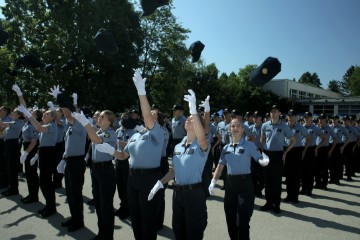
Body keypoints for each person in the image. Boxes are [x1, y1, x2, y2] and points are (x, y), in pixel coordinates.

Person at [95, 70, 165, 240]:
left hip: (149, 178)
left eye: (154, 116)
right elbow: (123, 156)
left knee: (147, 220)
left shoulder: (158, 133)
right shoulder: (135, 135)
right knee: (136, 217)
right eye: (149, 116)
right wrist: (111, 151)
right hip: (132, 178)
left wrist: (142, 92)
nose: (149, 117)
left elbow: (147, 115)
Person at [146, 89, 210, 240]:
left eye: (193, 119)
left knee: (194, 231)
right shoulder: (178, 146)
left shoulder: (201, 145)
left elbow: (202, 137)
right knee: (179, 230)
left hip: (194, 194)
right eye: (188, 118)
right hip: (178, 193)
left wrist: (194, 110)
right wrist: (160, 183)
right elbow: (174, 170)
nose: (189, 119)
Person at [209, 118, 269, 240]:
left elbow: (259, 158)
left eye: (238, 126)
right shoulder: (226, 148)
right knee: (230, 217)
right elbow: (220, 166)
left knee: (242, 220)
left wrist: (263, 161)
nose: (235, 128)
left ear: (242, 129)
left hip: (245, 184)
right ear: (230, 129)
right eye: (233, 126)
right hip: (230, 184)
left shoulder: (249, 145)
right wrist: (213, 181)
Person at [72, 108, 117, 240]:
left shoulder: (110, 133)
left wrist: (86, 124)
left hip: (106, 170)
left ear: (109, 121)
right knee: (98, 203)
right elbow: (92, 139)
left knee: (106, 205)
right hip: (96, 168)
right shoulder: (99, 131)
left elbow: (96, 140)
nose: (99, 118)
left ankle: (107, 236)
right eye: (99, 116)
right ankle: (101, 233)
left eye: (102, 117)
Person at [52, 91, 87, 232]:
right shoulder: (70, 125)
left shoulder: (78, 123)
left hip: (77, 163)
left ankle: (79, 221)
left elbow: (68, 114)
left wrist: (62, 102)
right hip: (69, 161)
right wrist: (63, 160)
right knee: (70, 193)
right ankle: (74, 217)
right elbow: (68, 146)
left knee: (76, 194)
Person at [17, 104, 58, 217]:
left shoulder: (52, 126)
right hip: (44, 153)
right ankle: (49, 205)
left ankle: (51, 207)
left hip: (49, 155)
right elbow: (42, 144)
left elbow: (38, 128)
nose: (44, 114)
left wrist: (28, 114)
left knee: (46, 183)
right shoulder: (46, 125)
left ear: (53, 117)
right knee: (44, 183)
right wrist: (36, 156)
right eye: (44, 113)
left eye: (47, 114)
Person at [260, 105, 295, 213]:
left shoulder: (284, 126)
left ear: (279, 113)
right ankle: (268, 202)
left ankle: (276, 204)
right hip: (266, 154)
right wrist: (262, 151)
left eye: (275, 111)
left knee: (276, 181)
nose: (273, 113)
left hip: (278, 155)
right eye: (271, 111)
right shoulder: (265, 125)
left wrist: (285, 153)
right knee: (267, 180)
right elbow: (262, 138)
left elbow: (293, 140)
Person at [12, 84, 41, 203]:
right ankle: (31, 194)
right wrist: (19, 94)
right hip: (27, 147)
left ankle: (34, 196)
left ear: (36, 116)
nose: (30, 112)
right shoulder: (28, 121)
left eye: (33, 112)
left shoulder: (34, 124)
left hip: (31, 148)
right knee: (29, 174)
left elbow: (34, 141)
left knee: (32, 174)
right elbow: (23, 107)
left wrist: (26, 153)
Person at [284, 110, 310, 203]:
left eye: (293, 115)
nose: (291, 117)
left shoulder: (300, 127)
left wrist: (304, 150)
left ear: (296, 117)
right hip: (286, 151)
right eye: (289, 115)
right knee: (288, 174)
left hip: (297, 151)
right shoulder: (284, 126)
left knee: (296, 175)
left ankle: (294, 196)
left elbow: (308, 138)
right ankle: (288, 195)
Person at [300, 112, 326, 196]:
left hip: (311, 150)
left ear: (311, 118)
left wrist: (317, 148)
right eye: (305, 117)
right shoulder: (301, 127)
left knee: (310, 171)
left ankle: (309, 189)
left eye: (308, 117)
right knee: (302, 171)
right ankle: (303, 188)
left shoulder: (315, 128)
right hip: (302, 149)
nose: (306, 119)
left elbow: (324, 139)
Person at [0, 107, 25, 196]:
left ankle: (14, 189)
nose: (12, 114)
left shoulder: (16, 122)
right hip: (8, 144)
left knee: (12, 168)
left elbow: (3, 124)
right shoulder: (12, 122)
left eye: (14, 113)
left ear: (18, 115)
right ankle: (11, 187)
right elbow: (3, 133)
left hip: (12, 144)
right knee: (8, 167)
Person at [0, 106, 12, 189]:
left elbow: (1, 130)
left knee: (2, 163)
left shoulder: (8, 119)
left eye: (0, 110)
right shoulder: (1, 118)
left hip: (3, 142)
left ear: (5, 111)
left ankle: (4, 183)